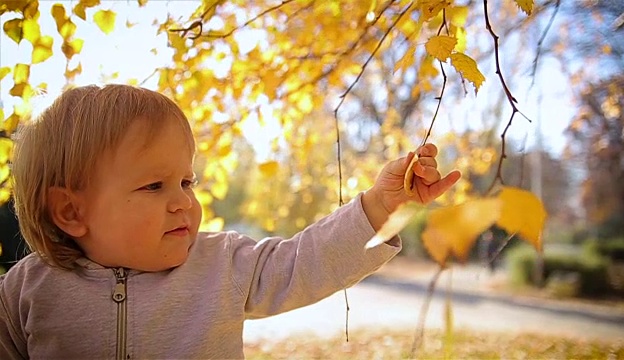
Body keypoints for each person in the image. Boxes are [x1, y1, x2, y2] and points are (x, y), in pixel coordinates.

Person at [0, 84, 460, 359]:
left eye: (186, 181)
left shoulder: (222, 266)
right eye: (154, 187)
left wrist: (380, 207)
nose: (182, 201)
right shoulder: (27, 290)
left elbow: (306, 261)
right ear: (71, 212)